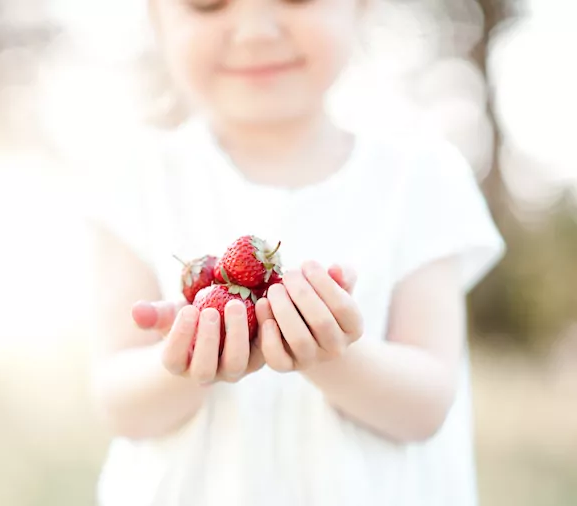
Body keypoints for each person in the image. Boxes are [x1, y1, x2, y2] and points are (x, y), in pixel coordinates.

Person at [84, 0, 506, 505]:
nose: (256, 31)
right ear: (156, 18)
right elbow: (119, 404)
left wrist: (332, 356)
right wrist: (185, 360)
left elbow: (427, 405)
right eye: (207, 3)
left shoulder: (423, 181)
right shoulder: (138, 181)